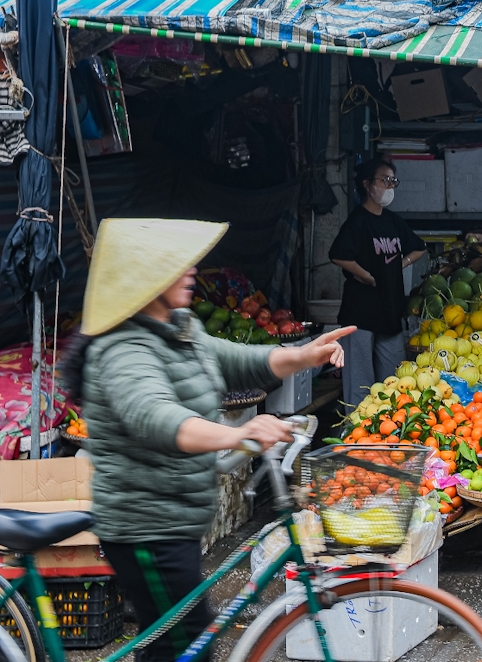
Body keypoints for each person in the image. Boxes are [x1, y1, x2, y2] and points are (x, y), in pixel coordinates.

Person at [64, 218, 355, 662]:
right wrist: (239, 433)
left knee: (180, 644)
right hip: (146, 527)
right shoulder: (122, 349)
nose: (191, 271)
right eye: (177, 265)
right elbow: (159, 419)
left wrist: (303, 354)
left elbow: (236, 359)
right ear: (146, 276)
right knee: (184, 648)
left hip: (176, 518)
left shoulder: (180, 328)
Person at [330, 156, 427, 407]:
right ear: (367, 184)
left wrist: (399, 265)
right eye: (384, 180)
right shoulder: (358, 221)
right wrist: (364, 275)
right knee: (360, 382)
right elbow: (338, 255)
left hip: (391, 307)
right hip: (361, 310)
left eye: (393, 181)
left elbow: (418, 248)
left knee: (393, 381)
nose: (389, 186)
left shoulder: (393, 221)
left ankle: (386, 432)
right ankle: (355, 432)